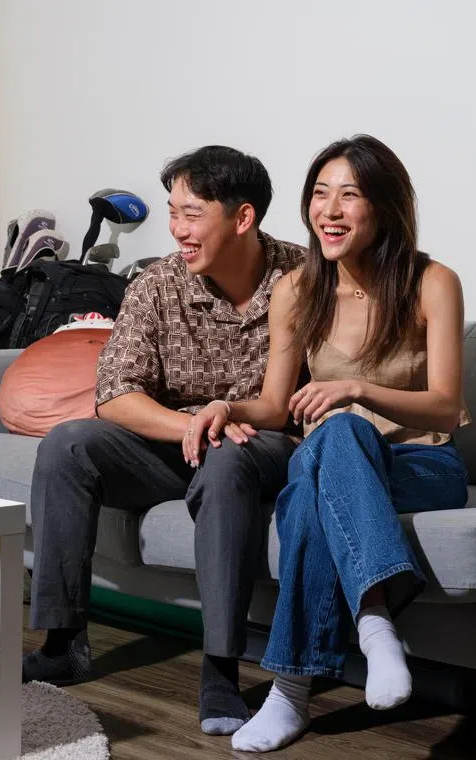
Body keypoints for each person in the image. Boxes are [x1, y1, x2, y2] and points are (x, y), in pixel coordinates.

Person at [182, 134, 471, 752]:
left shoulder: (433, 282)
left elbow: (446, 404)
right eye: (319, 195)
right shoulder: (297, 290)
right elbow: (275, 404)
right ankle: (372, 623)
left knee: (333, 439)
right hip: (330, 458)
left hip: (420, 462)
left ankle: (291, 693)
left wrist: (357, 390)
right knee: (321, 460)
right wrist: (227, 406)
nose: (329, 210)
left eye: (349, 195)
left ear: (385, 206)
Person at [24, 145, 304, 737]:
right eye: (172, 213)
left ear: (243, 217)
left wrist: (224, 427)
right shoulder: (155, 283)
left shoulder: (304, 278)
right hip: (177, 439)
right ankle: (62, 643)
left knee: (228, 462)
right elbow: (116, 395)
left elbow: (297, 400)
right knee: (67, 445)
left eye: (192, 214)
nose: (177, 229)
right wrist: (194, 424)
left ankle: (221, 668)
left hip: (264, 443)